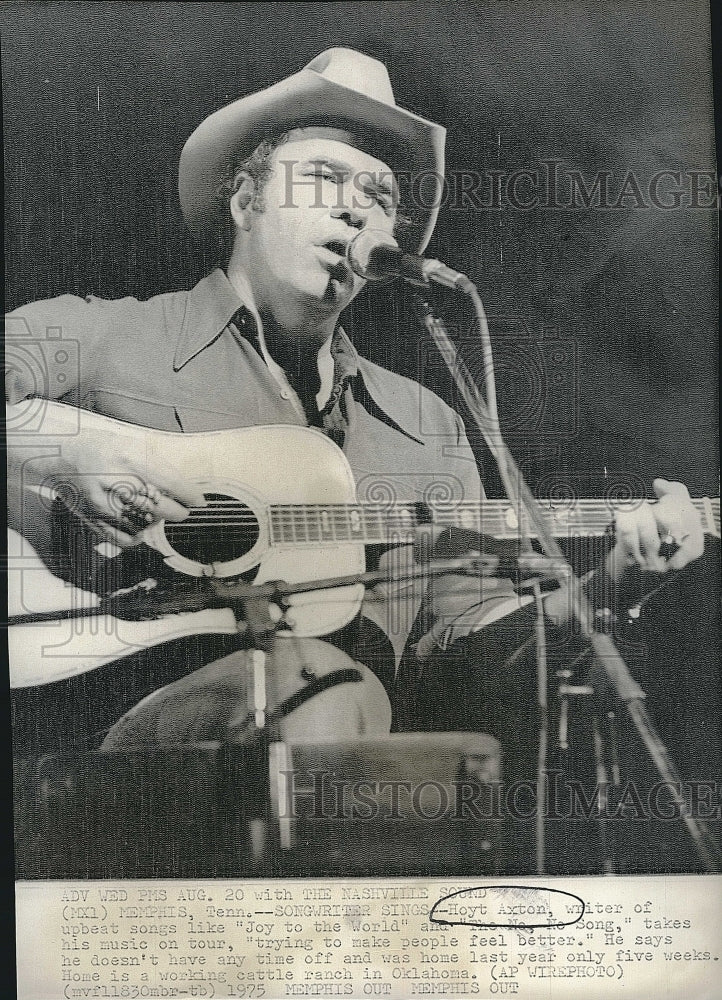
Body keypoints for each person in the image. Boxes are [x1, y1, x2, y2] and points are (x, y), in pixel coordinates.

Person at [6, 48, 706, 757]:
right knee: (328, 683)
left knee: (386, 719)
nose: (353, 207)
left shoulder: (426, 425)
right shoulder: (109, 337)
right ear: (246, 200)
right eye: (323, 177)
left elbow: (474, 657)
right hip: (89, 734)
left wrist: (614, 583)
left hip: (326, 750)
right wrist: (75, 454)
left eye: (380, 197)